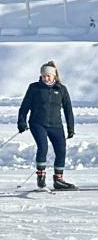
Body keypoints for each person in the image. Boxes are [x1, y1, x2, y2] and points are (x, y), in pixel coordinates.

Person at [17, 58, 76, 190]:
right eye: (43, 76)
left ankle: (58, 180)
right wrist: (21, 122)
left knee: (61, 150)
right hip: (38, 123)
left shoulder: (61, 89)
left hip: (56, 125)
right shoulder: (34, 88)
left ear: (54, 76)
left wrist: (70, 128)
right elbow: (24, 106)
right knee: (43, 147)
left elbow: (68, 110)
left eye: (48, 76)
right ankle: (41, 176)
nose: (46, 78)